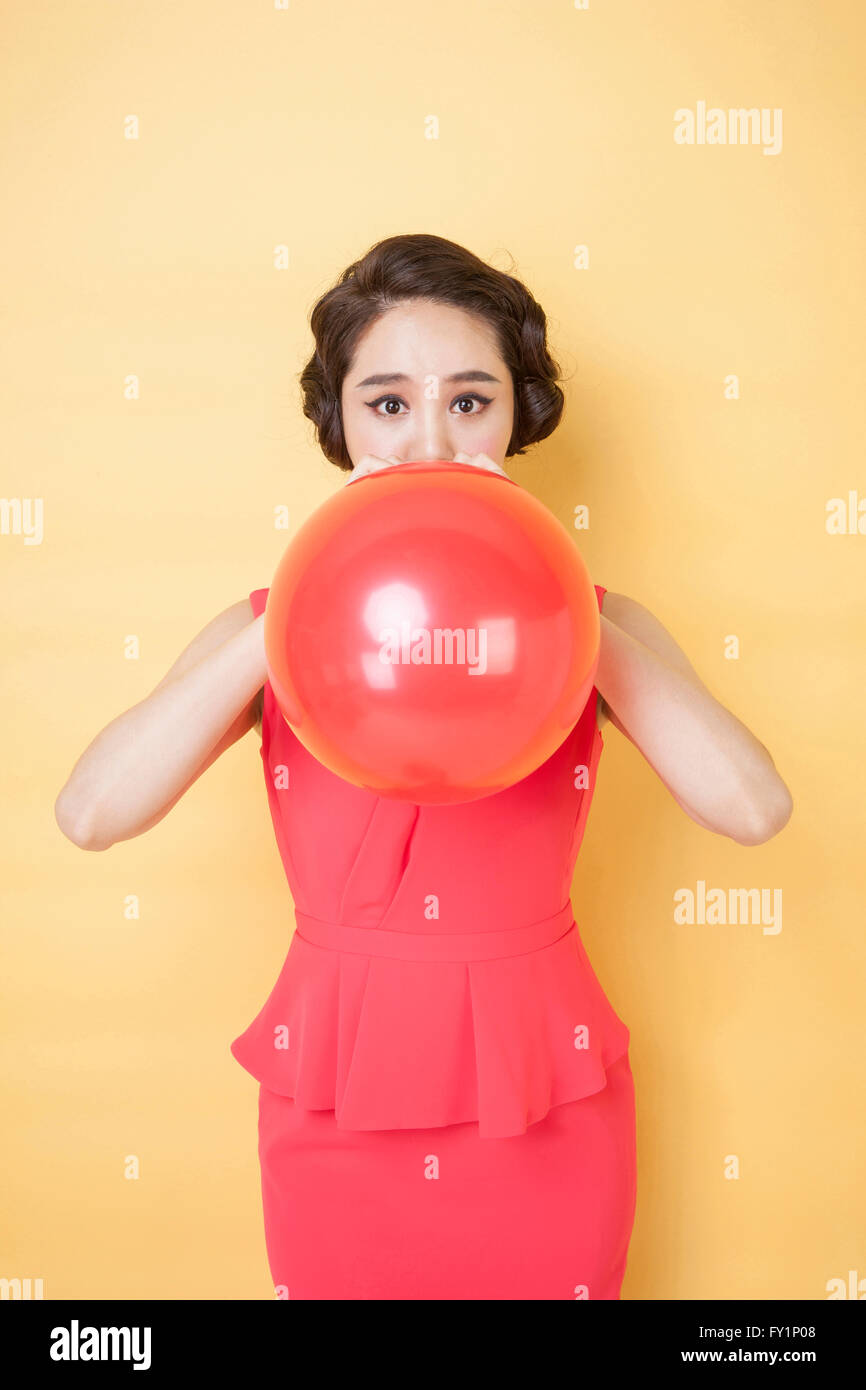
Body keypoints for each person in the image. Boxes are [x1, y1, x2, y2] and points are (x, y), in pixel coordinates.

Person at [54, 233, 794, 1299]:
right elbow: (92, 814)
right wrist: (306, 614)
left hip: (543, 1091)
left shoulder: (589, 623)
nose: (431, 439)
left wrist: (563, 609)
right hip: (334, 1087)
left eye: (471, 400)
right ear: (340, 419)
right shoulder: (263, 631)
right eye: (388, 404)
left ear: (518, 415)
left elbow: (752, 807)